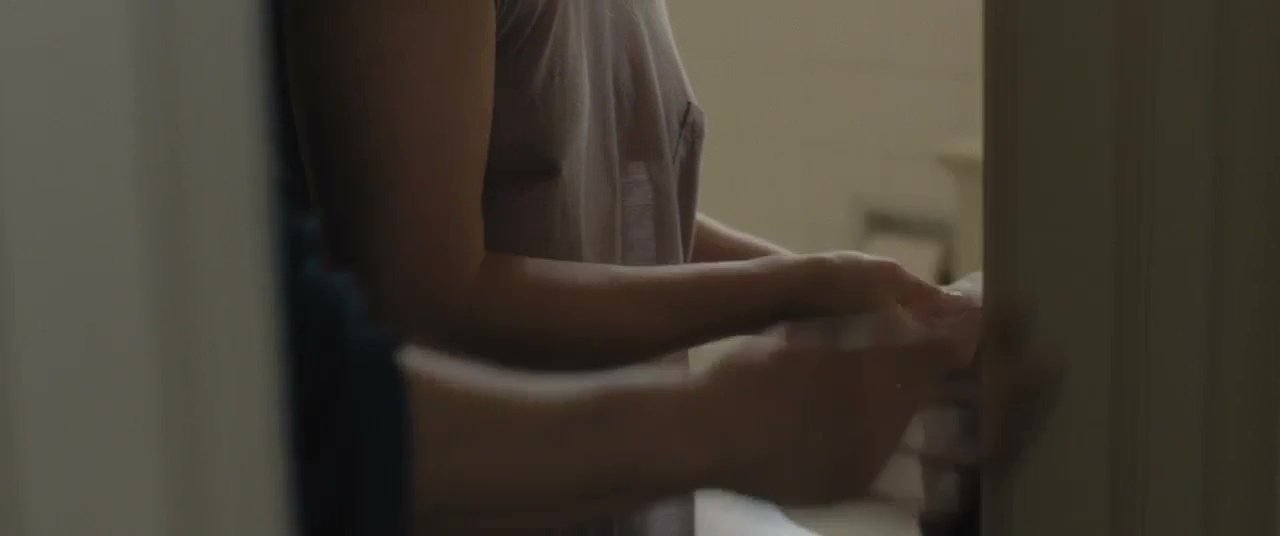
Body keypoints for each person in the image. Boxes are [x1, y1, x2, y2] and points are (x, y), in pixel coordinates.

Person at [272, 1, 997, 535]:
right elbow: (428, 296)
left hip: (610, 495)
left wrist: (848, 291)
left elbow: (602, 202)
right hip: (489, 495)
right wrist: (746, 390)